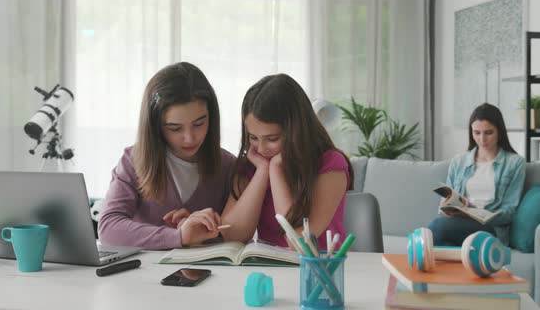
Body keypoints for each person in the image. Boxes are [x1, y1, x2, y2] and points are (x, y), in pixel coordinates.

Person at [98, 62, 235, 250]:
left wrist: (200, 230)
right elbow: (108, 229)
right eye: (175, 128)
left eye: (199, 123)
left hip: (207, 275)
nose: (189, 138)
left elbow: (234, 235)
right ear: (155, 126)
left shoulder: (228, 166)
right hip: (139, 277)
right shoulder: (133, 160)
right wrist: (178, 236)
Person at [220, 74, 354, 251]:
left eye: (272, 138)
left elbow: (299, 243)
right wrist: (262, 171)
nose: (260, 149)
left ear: (296, 131)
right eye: (253, 137)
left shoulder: (330, 165)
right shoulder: (253, 165)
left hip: (319, 269)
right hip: (272, 268)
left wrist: (276, 170)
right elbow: (232, 235)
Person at [427, 103, 525, 246]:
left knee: (437, 228)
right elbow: (444, 201)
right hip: (459, 224)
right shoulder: (458, 162)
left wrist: (478, 214)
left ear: (499, 131)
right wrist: (449, 209)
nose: (482, 139)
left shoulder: (515, 164)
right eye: (476, 133)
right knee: (440, 243)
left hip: (490, 229)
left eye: (488, 132)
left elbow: (509, 212)